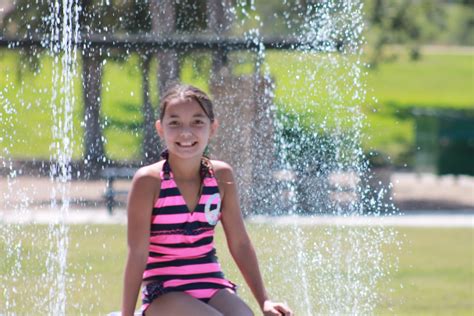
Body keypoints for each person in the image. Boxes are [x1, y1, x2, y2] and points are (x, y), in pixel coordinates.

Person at [121, 84, 293, 316]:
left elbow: (240, 243)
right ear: (160, 129)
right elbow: (137, 253)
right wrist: (126, 314)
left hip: (211, 285)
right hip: (164, 292)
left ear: (212, 128)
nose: (186, 132)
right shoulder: (149, 182)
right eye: (175, 123)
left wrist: (265, 301)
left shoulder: (221, 177)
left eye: (197, 122)